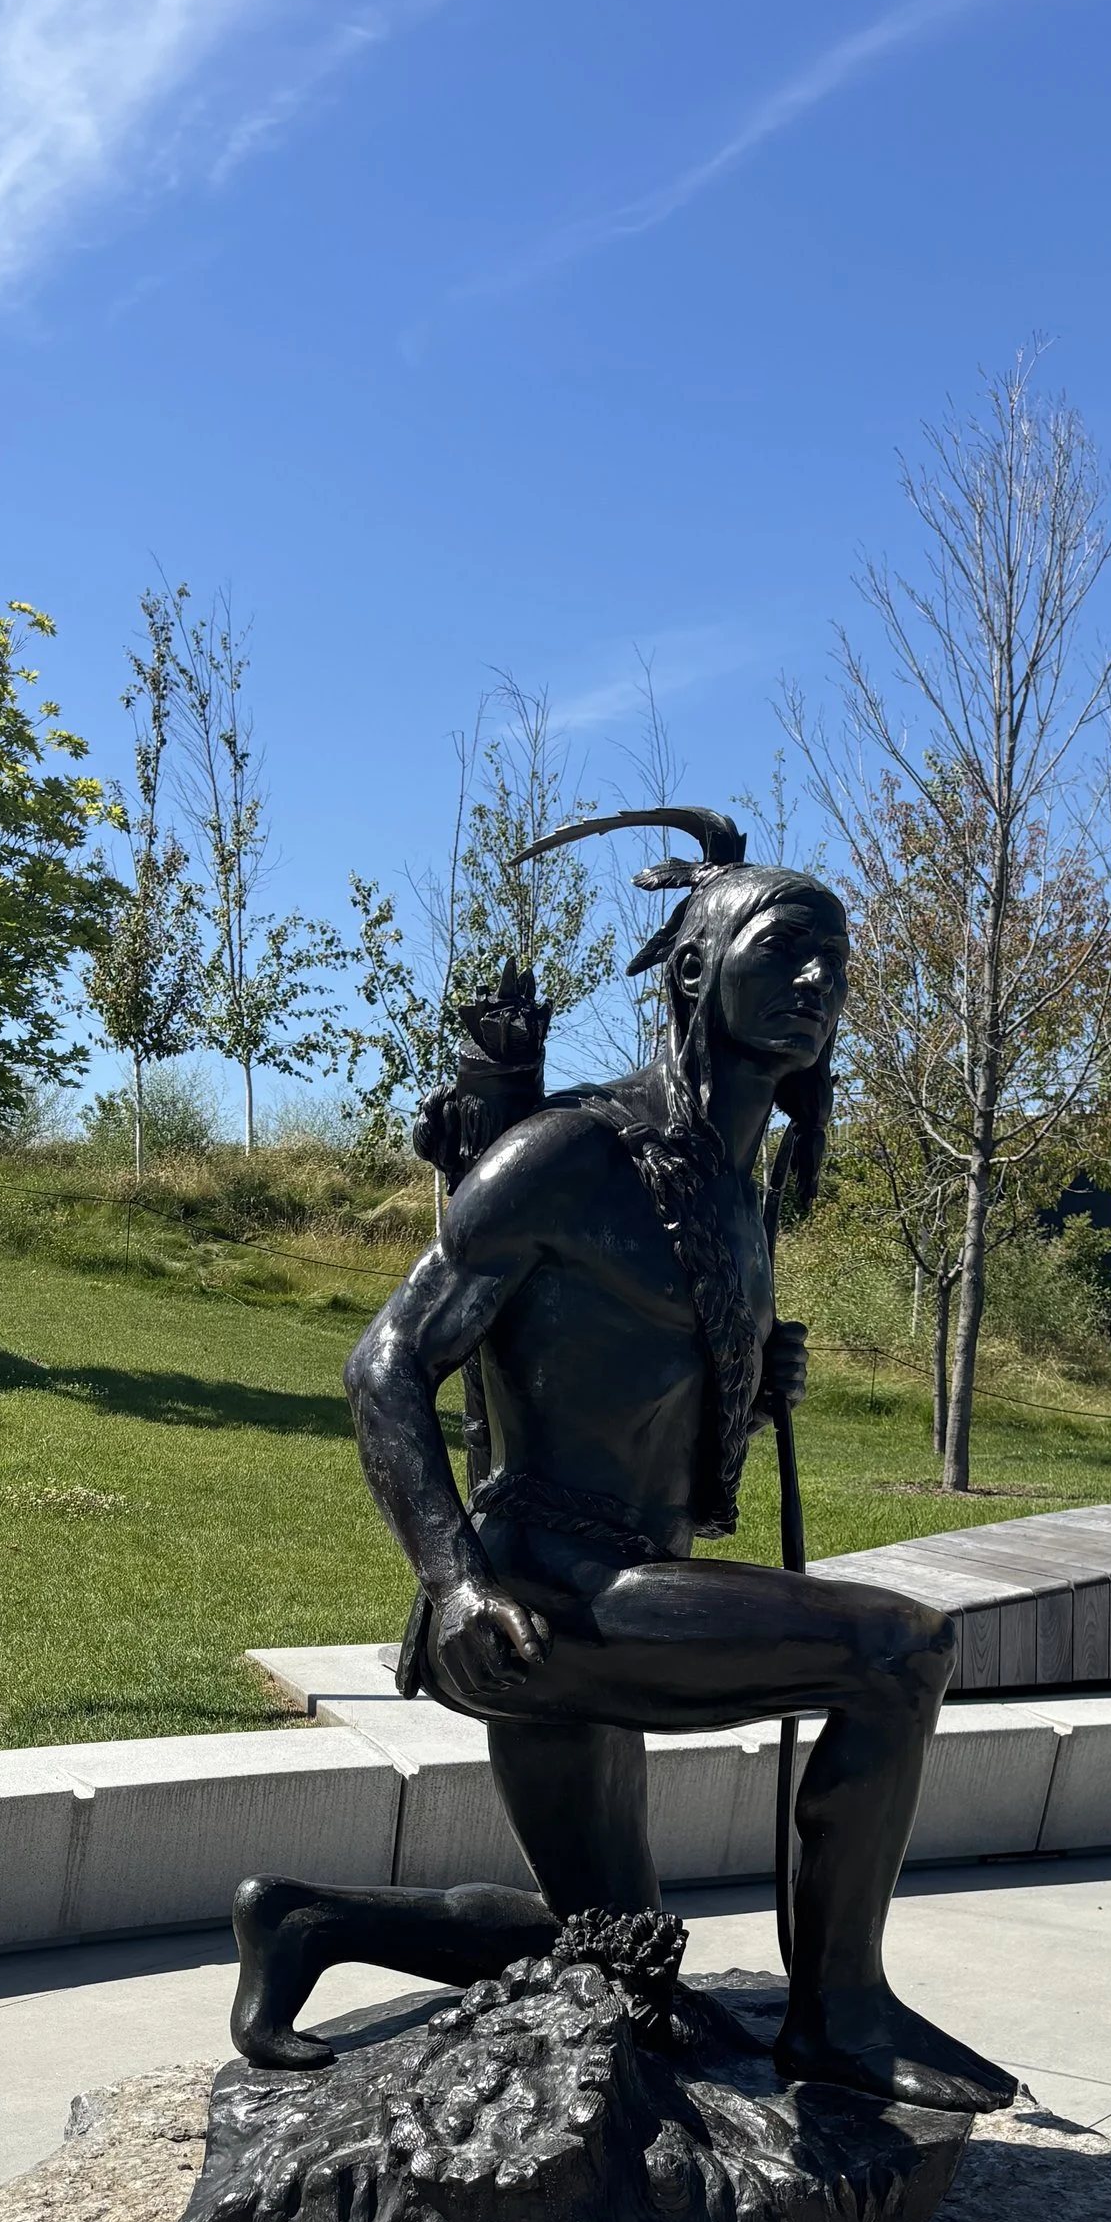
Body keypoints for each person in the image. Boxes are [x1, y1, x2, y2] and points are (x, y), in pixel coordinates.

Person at [231, 812, 1006, 2112]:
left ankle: (305, 1921)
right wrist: (457, 1582)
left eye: (839, 963)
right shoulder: (580, 1155)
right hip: (548, 1594)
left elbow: (622, 1381)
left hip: (633, 1574)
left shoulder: (734, 1189)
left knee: (615, 1955)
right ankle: (845, 2015)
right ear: (697, 974)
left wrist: (754, 1387)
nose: (821, 983)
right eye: (787, 951)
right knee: (900, 1650)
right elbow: (386, 1366)